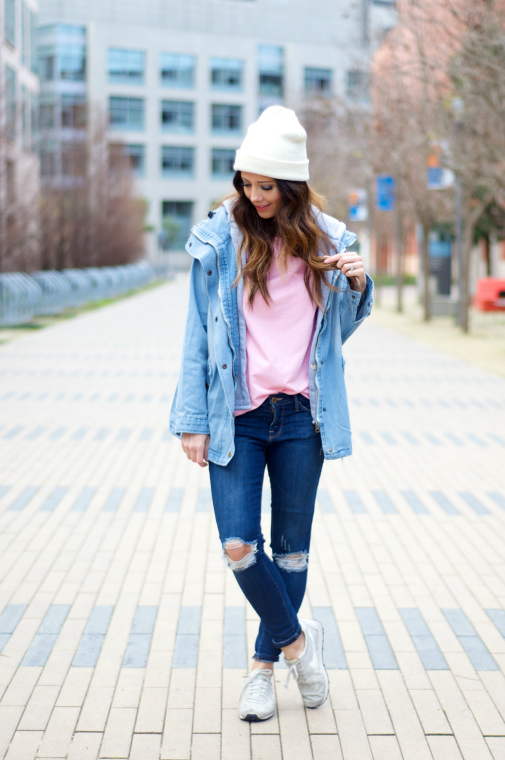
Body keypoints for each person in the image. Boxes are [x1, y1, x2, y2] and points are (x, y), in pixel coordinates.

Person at [169, 106, 373, 721]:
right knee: (237, 543)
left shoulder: (331, 242)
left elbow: (341, 330)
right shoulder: (218, 239)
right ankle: (299, 647)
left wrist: (360, 285)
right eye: (246, 183)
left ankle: (261, 671)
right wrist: (191, 418)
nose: (254, 196)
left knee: (290, 554)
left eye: (266, 186)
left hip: (303, 417)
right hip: (238, 415)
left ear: (292, 184)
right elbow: (196, 338)